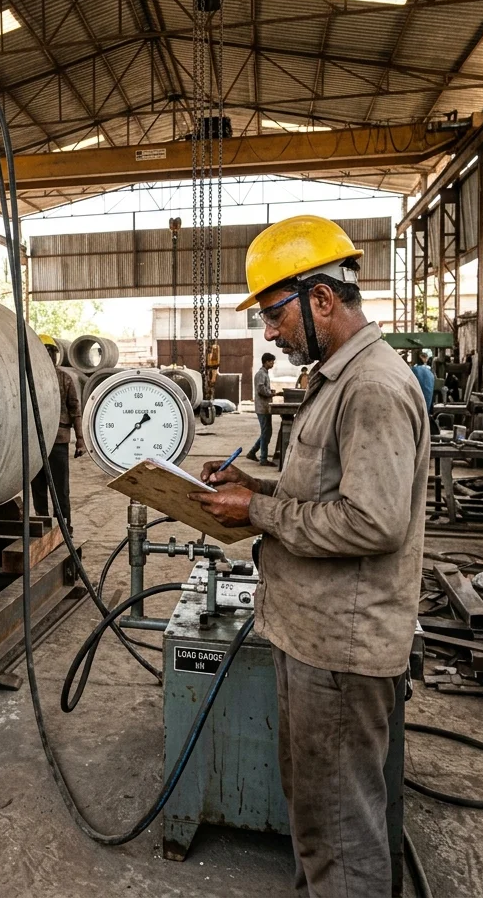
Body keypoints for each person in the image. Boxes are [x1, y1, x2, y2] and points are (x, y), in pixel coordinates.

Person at [196, 214, 430, 897]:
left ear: (321, 298)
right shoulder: (339, 381)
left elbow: (372, 522)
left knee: (338, 832)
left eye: (273, 314)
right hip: (316, 636)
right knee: (318, 814)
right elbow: (326, 490)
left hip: (341, 649)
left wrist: (257, 512)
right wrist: (255, 486)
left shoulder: (372, 389)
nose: (269, 332)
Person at [31, 334, 86, 530]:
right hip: (36, 442)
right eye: (45, 351)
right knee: (38, 487)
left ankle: (64, 526)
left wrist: (80, 439)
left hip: (58, 441)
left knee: (60, 489)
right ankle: (43, 525)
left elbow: (75, 410)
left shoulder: (65, 379)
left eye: (51, 351)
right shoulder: (30, 379)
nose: (49, 355)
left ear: (56, 355)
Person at [246, 352, 276, 466]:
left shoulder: (265, 374)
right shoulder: (261, 374)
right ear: (265, 362)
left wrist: (270, 392)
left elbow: (263, 388)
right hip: (262, 408)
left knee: (266, 432)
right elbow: (261, 389)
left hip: (265, 407)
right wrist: (271, 394)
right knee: (266, 433)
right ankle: (263, 459)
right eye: (271, 361)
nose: (272, 363)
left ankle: (252, 452)